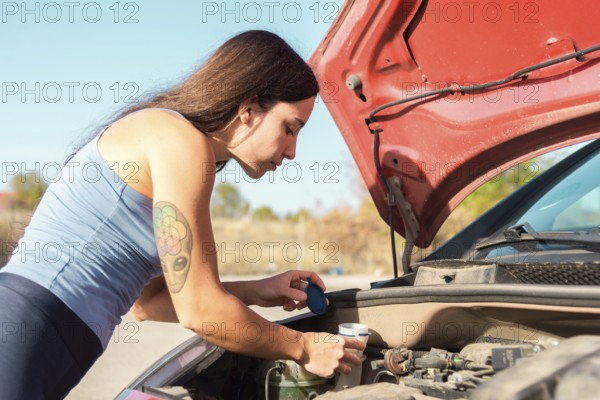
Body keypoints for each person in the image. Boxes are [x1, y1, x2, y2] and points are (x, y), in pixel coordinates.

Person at [0, 30, 364, 399]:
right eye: (289, 128)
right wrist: (304, 348)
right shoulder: (181, 142)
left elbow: (149, 303)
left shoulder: (172, 138)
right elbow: (201, 311)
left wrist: (256, 290)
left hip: (38, 337)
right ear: (250, 108)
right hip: (27, 326)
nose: (292, 152)